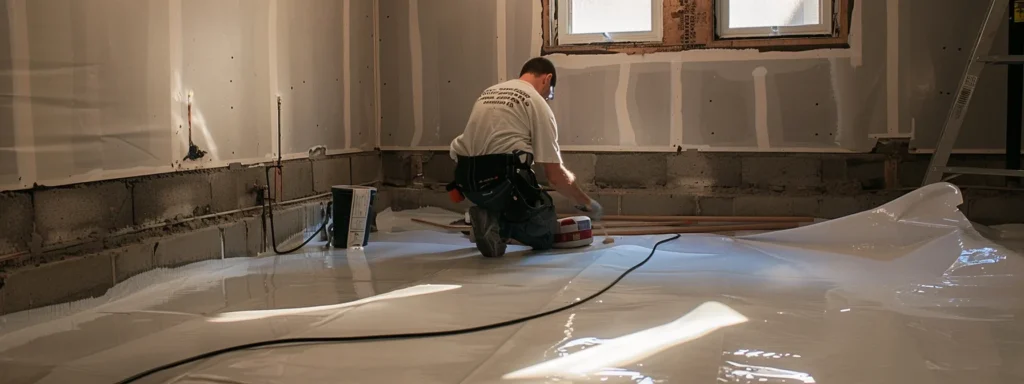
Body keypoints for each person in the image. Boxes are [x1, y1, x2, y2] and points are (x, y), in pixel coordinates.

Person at [447, 57, 603, 258]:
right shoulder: (536, 103)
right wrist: (586, 201)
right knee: (545, 231)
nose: (547, 98)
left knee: (510, 189)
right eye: (550, 94)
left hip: (466, 181)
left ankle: (488, 218)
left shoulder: (490, 92)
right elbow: (555, 177)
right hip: (501, 184)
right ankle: (498, 225)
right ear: (547, 79)